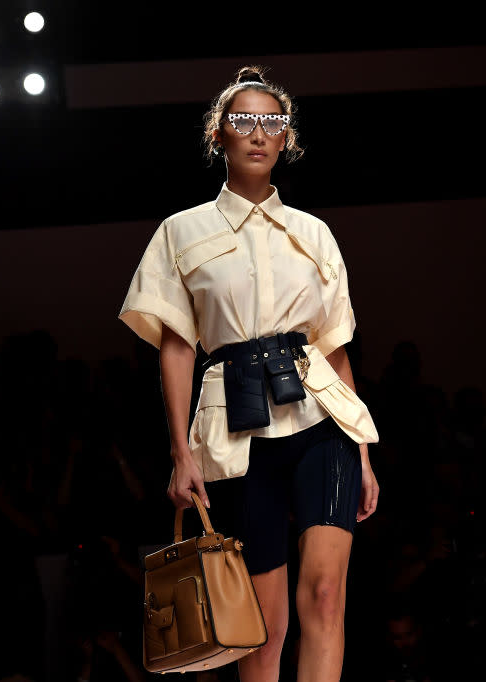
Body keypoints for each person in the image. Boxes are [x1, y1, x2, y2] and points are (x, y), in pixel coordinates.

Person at [118, 65, 380, 681]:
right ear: (220, 135)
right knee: (260, 628)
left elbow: (334, 346)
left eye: (272, 122)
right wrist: (181, 453)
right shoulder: (181, 232)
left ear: (285, 138)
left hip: (323, 422)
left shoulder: (315, 234)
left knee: (325, 596)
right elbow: (177, 347)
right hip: (239, 435)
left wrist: (363, 450)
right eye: (244, 121)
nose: (258, 133)